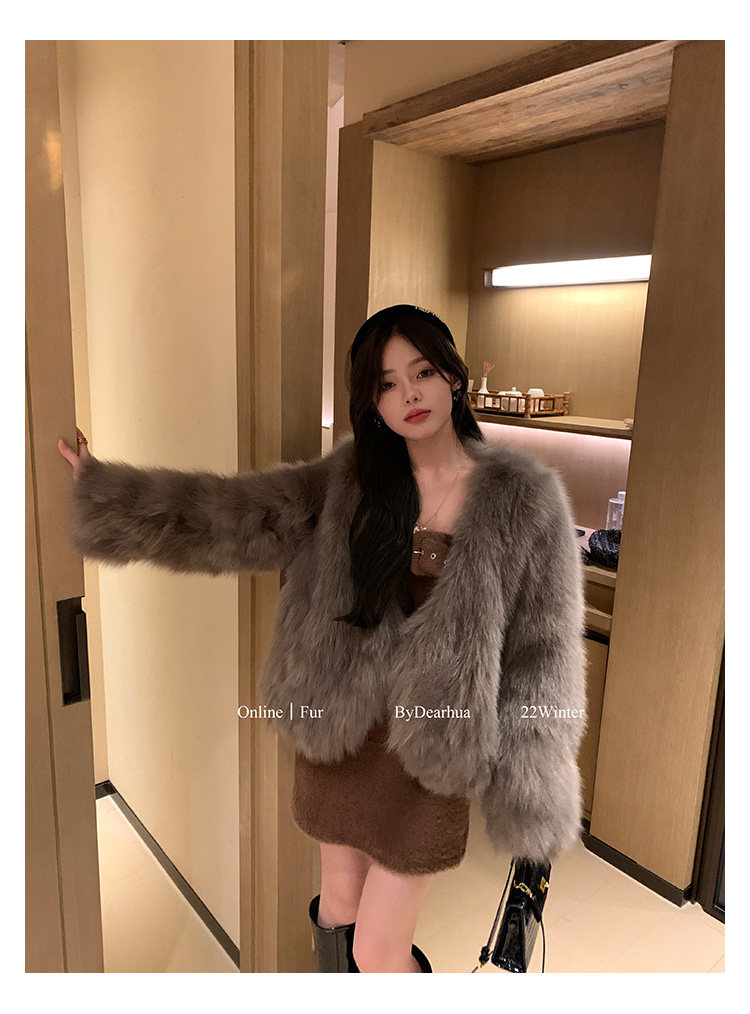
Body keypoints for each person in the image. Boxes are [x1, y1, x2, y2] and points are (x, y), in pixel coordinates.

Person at [58, 304, 587, 973]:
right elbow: (229, 519)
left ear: (454, 376)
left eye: (422, 372)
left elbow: (545, 651)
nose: (409, 394)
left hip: (431, 755)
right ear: (372, 402)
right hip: (340, 733)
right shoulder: (347, 480)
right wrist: (105, 493)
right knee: (337, 910)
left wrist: (535, 784)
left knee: (377, 949)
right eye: (387, 383)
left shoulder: (524, 498)